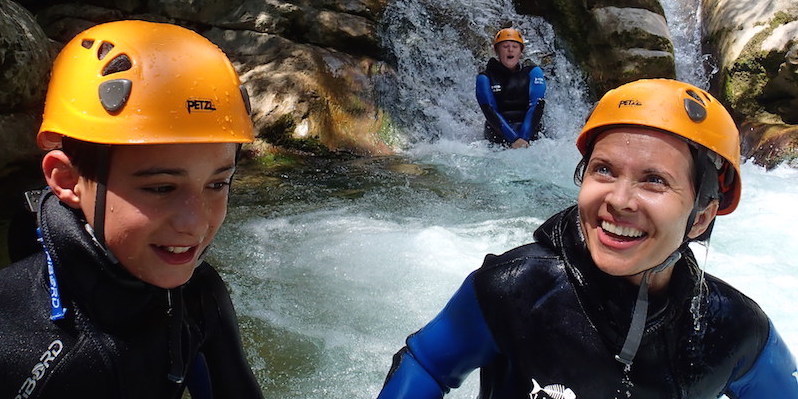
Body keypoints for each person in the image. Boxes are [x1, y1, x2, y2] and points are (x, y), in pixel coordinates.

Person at [377, 79, 798, 398]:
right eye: (604, 170)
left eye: (653, 180)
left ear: (701, 217)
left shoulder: (733, 328)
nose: (618, 199)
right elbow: (427, 365)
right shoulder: (514, 289)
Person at [0, 20, 263, 398]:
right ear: (67, 180)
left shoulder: (198, 293)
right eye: (161, 187)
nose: (195, 223)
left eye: (217, 184)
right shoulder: (14, 341)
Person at [476, 28, 546, 148]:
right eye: (505, 46)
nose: (510, 50)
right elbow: (489, 109)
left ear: (520, 52)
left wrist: (523, 137)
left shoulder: (533, 72)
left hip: (530, 135)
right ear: (497, 51)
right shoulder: (485, 77)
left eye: (515, 46)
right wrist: (513, 139)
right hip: (499, 137)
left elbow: (536, 105)